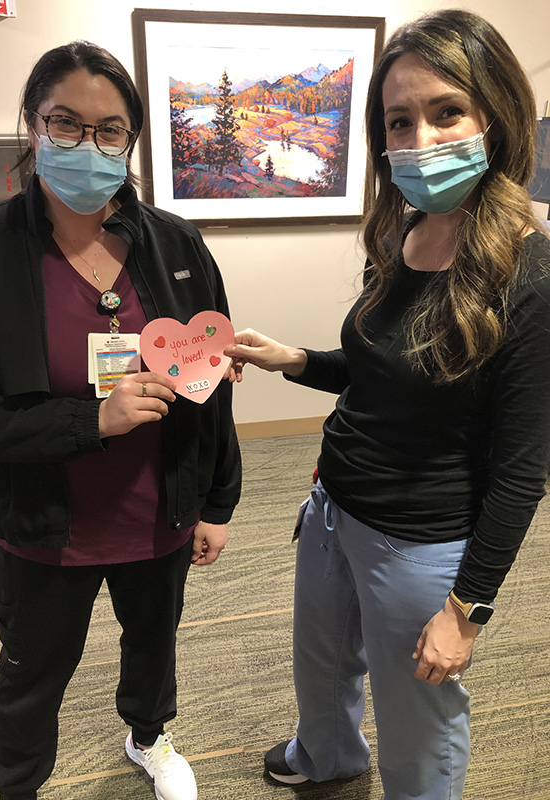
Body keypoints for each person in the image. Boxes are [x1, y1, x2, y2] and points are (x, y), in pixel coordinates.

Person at [224, 10, 550, 800]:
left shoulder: (527, 273)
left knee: (420, 719)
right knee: (322, 663)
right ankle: (328, 754)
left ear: (495, 117)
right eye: (400, 121)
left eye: (446, 112)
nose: (421, 139)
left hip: (421, 545)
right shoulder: (408, 226)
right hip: (334, 505)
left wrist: (465, 611)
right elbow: (382, 371)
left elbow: (523, 469)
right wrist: (293, 360)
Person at [0, 41, 241, 800]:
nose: (88, 144)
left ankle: (149, 738)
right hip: (44, 525)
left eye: (110, 130)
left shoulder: (174, 243)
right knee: (32, 670)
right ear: (32, 124)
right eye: (66, 124)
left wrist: (217, 503)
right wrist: (93, 422)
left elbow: (214, 382)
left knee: (154, 645)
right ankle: (17, 784)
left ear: (130, 139)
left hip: (159, 512)